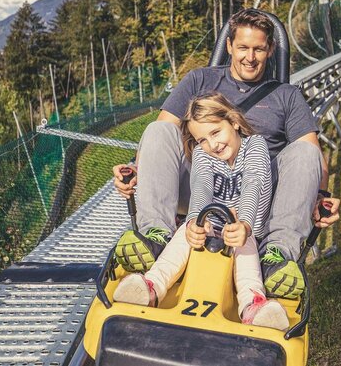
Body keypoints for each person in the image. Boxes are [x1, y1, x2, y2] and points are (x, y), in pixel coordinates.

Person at [114, 8, 340, 299]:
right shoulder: (200, 80)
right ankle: (156, 235)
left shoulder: (287, 96)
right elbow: (161, 133)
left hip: (259, 199)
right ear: (229, 45)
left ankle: (276, 256)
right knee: (156, 132)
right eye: (243, 47)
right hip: (200, 185)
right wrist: (135, 169)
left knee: (305, 151)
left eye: (259, 49)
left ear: (270, 49)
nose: (250, 57)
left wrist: (320, 197)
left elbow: (313, 154)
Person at [114, 93, 290, 330]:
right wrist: (195, 222)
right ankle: (152, 286)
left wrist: (245, 224)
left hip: (242, 232)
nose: (212, 145)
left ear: (234, 122)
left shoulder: (255, 145)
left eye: (216, 132)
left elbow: (253, 183)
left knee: (245, 253)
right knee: (181, 239)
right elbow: (202, 185)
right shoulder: (203, 153)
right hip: (209, 226)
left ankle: (252, 304)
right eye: (202, 139)